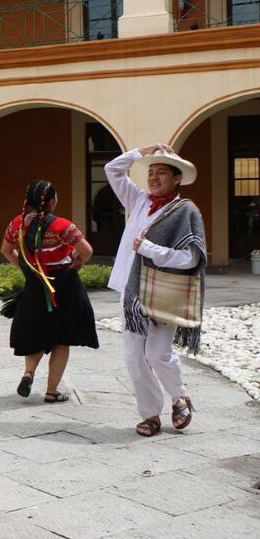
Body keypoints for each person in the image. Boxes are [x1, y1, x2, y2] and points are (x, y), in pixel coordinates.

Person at [106, 143, 205, 437]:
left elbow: (192, 258)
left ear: (177, 179)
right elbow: (112, 170)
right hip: (132, 291)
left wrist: (150, 250)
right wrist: (140, 151)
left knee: (158, 353)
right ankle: (150, 415)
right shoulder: (137, 200)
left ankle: (179, 397)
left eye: (161, 172)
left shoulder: (186, 211)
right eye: (150, 172)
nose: (153, 178)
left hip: (165, 291)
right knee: (133, 356)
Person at [0, 180, 98, 402]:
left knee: (37, 333)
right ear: (52, 202)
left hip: (34, 285)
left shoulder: (17, 224)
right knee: (62, 339)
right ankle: (51, 391)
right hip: (64, 286)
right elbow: (87, 251)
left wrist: (27, 267)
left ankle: (29, 372)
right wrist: (78, 262)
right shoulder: (63, 225)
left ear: (28, 201)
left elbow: (5, 250)